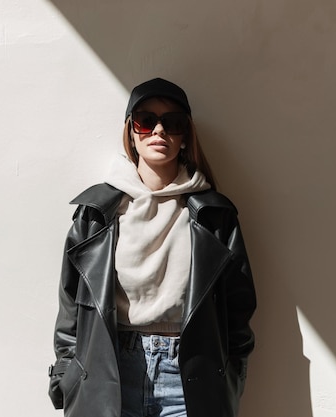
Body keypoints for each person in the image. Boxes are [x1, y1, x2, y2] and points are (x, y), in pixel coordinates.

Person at [48, 78, 256, 417]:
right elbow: (71, 304)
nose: (159, 131)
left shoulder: (214, 216)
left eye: (172, 123)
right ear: (131, 131)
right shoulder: (97, 214)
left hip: (190, 379)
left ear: (185, 136)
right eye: (146, 121)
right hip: (111, 373)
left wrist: (230, 378)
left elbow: (238, 309)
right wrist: (65, 376)